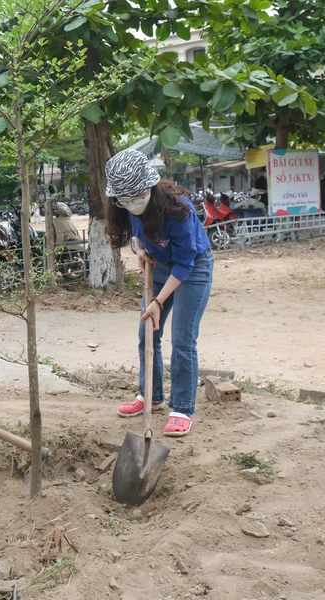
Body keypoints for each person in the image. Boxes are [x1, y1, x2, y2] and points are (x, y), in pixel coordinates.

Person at [104, 150, 214, 437]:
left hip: (192, 269)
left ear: (149, 187)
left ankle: (182, 408)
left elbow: (185, 264)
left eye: (135, 196)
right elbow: (137, 232)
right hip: (159, 265)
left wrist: (158, 301)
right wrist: (139, 249)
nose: (130, 203)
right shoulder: (126, 207)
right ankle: (151, 395)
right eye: (123, 199)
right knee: (147, 335)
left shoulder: (179, 211)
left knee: (182, 339)